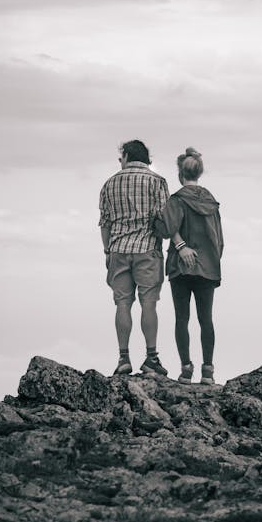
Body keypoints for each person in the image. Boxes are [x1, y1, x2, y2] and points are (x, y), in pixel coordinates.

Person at [99, 140, 170, 376]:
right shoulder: (157, 182)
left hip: (118, 248)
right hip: (147, 248)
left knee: (122, 304)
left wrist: (107, 251)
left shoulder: (109, 184)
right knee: (148, 303)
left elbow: (105, 224)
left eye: (121, 157)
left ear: (127, 156)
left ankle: (123, 358)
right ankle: (151, 358)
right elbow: (164, 218)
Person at [155, 148, 223, 385]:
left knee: (181, 318)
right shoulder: (211, 202)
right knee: (206, 319)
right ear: (199, 172)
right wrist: (212, 261)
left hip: (181, 268)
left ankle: (186, 369)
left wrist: (179, 243)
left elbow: (164, 229)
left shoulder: (177, 200)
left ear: (180, 173)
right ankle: (208, 371)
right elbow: (219, 240)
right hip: (207, 267)